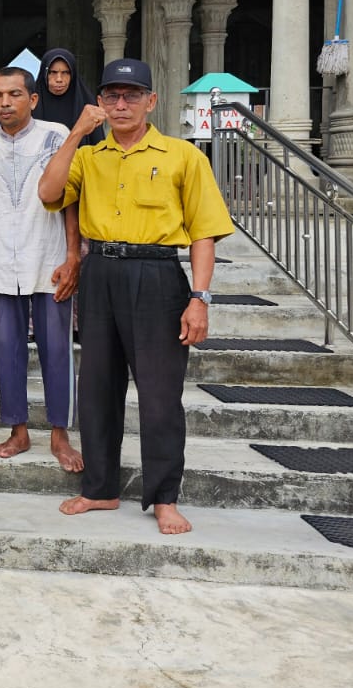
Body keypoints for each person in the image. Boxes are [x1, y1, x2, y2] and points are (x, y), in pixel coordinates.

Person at [38, 58, 233, 536]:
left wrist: (200, 297)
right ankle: (100, 488)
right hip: (100, 270)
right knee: (98, 389)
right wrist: (75, 133)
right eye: (111, 96)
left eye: (130, 95)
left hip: (158, 274)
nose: (120, 104)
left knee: (160, 395)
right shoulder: (89, 155)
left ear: (151, 100)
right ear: (100, 102)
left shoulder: (182, 156)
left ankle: (164, 496)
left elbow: (204, 234)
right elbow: (48, 192)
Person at [0, 70, 84, 472]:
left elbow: (67, 200)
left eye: (14, 94)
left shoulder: (54, 135)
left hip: (47, 259)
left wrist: (72, 257)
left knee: (56, 350)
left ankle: (60, 434)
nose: (4, 103)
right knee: (7, 352)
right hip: (0, 261)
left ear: (32, 99)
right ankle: (17, 430)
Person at [35, 47, 103, 145]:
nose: (59, 79)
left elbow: (97, 144)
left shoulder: (86, 104)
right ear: (44, 74)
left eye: (65, 73)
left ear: (73, 75)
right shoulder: (31, 104)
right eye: (53, 72)